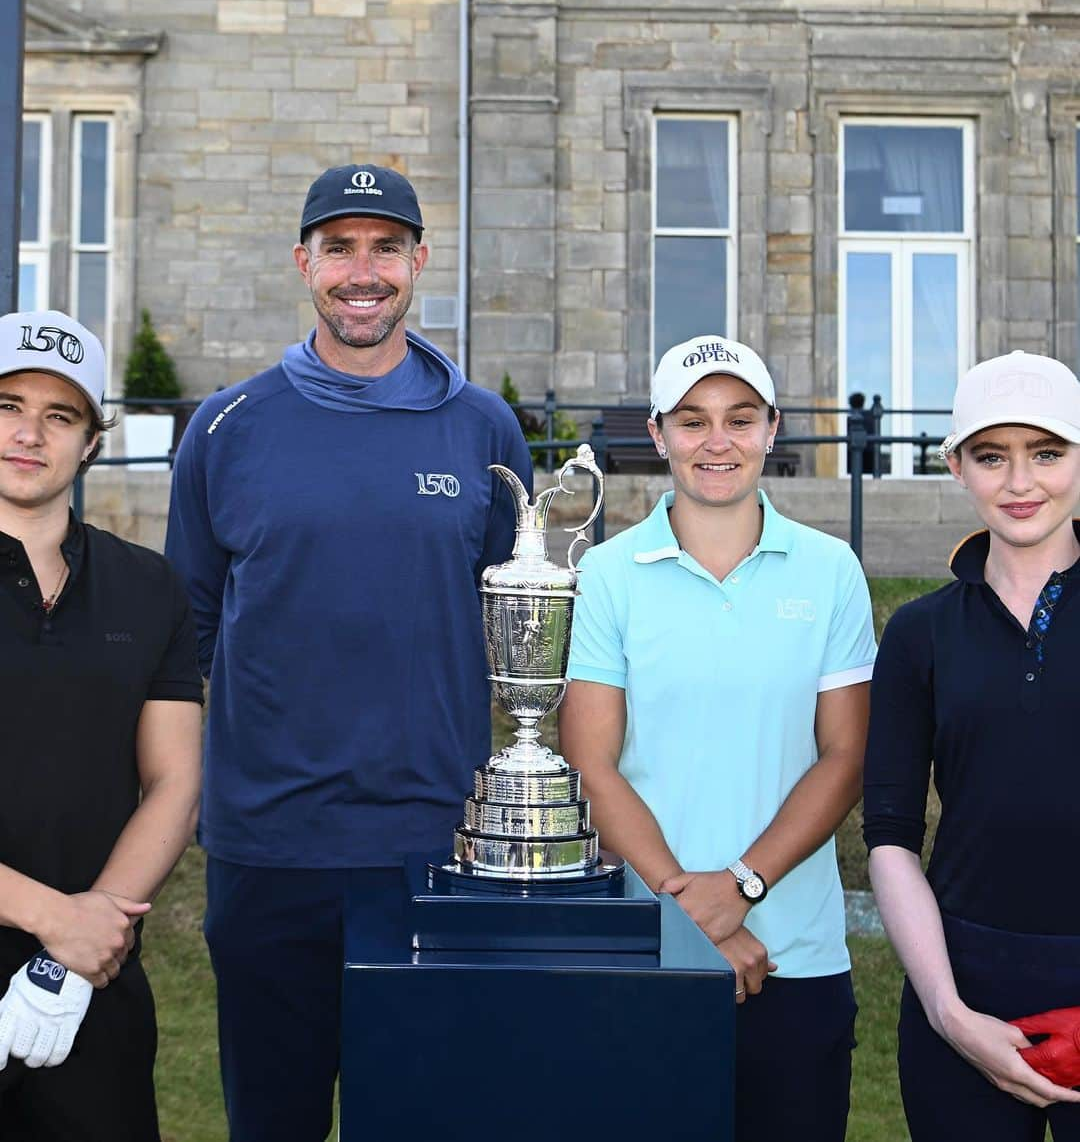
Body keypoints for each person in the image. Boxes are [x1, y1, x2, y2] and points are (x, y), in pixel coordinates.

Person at [165, 164, 532, 1142]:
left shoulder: (485, 428)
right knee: (272, 1122)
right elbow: (187, 632)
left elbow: (517, 630)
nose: (360, 272)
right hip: (267, 851)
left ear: (419, 261)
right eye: (338, 247)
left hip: (429, 846)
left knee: (418, 1119)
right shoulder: (226, 428)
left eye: (383, 247)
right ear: (303, 262)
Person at [560, 334, 877, 1142]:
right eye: (693, 421)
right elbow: (590, 762)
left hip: (795, 958)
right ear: (660, 435)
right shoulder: (607, 574)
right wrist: (682, 904)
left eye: (740, 418)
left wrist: (737, 888)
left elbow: (845, 757)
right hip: (645, 949)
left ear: (772, 428)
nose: (717, 442)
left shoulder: (830, 569)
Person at [864, 349, 1080, 1140]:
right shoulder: (920, 632)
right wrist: (950, 1014)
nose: (1021, 482)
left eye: (1047, 453)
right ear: (956, 466)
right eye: (993, 457)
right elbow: (889, 838)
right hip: (966, 984)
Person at [0, 309, 202, 1142]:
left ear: (91, 442)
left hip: (91, 979)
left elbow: (175, 780)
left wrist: (80, 944)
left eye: (59, 415)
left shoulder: (147, 586)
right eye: (7, 406)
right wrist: (54, 918)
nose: (28, 433)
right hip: (73, 934)